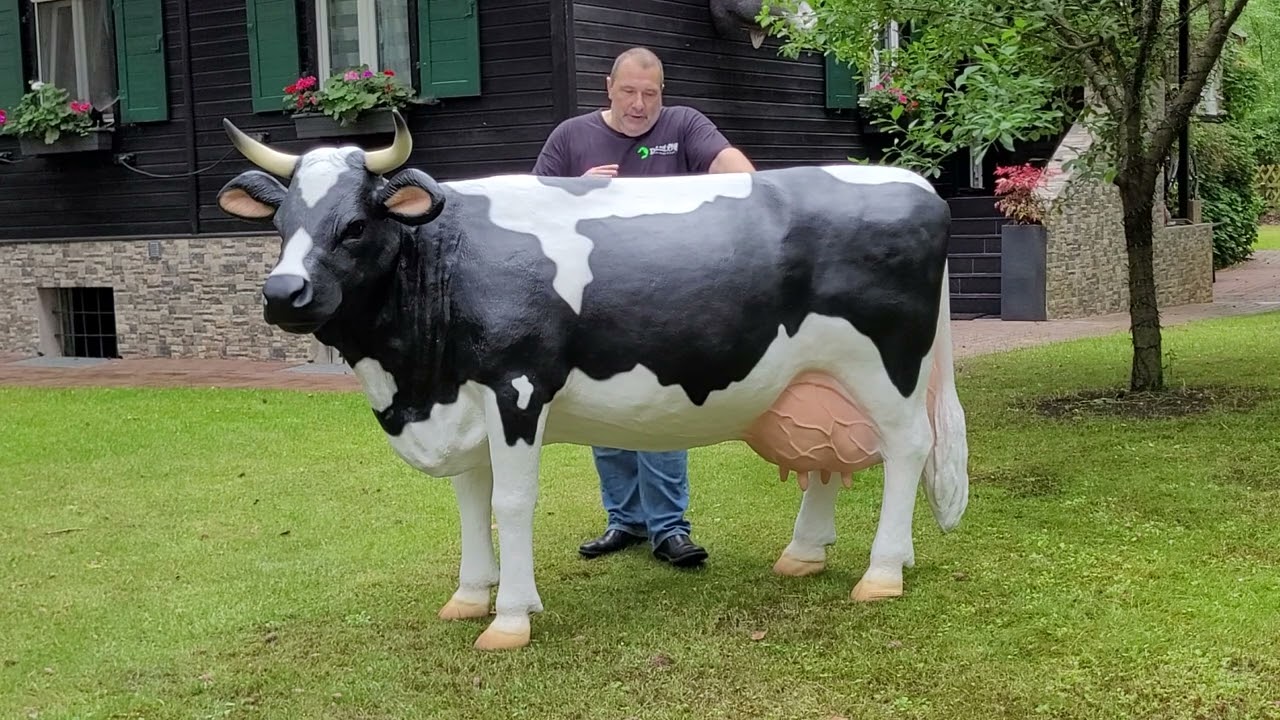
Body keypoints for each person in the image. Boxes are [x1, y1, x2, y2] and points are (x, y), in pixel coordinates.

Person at [531, 47, 756, 568]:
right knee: (603, 413)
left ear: (663, 93)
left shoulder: (683, 124)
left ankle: (669, 528)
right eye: (629, 91)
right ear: (608, 86)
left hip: (666, 301)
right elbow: (533, 206)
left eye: (649, 94)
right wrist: (574, 192)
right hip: (591, 300)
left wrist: (752, 196)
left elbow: (735, 171)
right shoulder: (570, 137)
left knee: (659, 409)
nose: (639, 104)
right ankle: (626, 520)